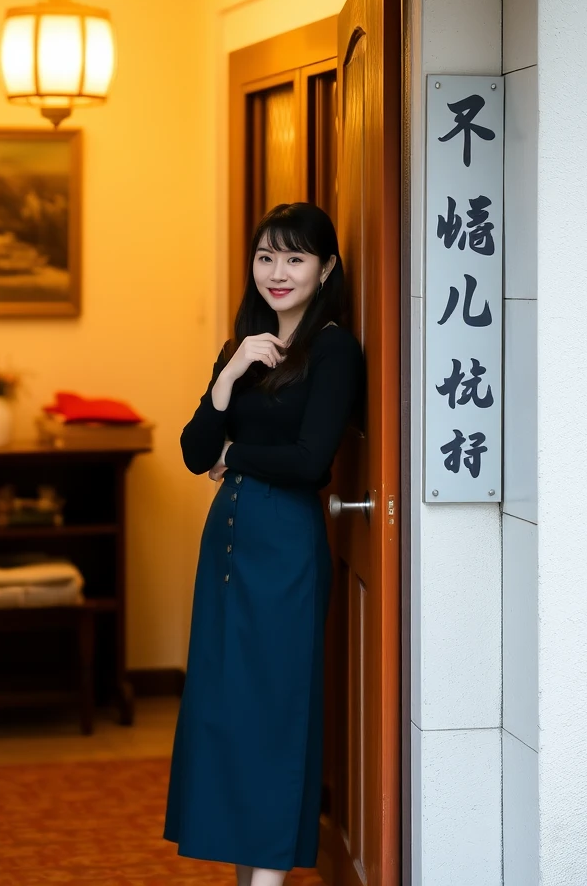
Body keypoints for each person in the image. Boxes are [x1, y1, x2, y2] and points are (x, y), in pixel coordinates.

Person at [164, 202, 365, 886]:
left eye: (295, 258)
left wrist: (236, 451)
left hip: (285, 550)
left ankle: (269, 879)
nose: (278, 273)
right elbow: (195, 453)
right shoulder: (243, 347)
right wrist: (228, 376)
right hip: (227, 548)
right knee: (227, 716)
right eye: (266, 257)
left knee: (276, 712)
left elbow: (312, 461)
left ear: (326, 267)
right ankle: (249, 876)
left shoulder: (333, 347)